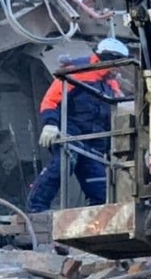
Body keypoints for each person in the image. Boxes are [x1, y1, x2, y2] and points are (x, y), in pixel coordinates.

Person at [26, 38, 129, 213]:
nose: (118, 70)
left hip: (95, 141)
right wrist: (50, 124)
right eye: (117, 64)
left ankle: (97, 216)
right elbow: (51, 100)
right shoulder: (76, 72)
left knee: (99, 184)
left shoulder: (110, 83)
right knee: (62, 166)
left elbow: (120, 108)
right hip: (72, 133)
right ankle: (35, 209)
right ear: (108, 59)